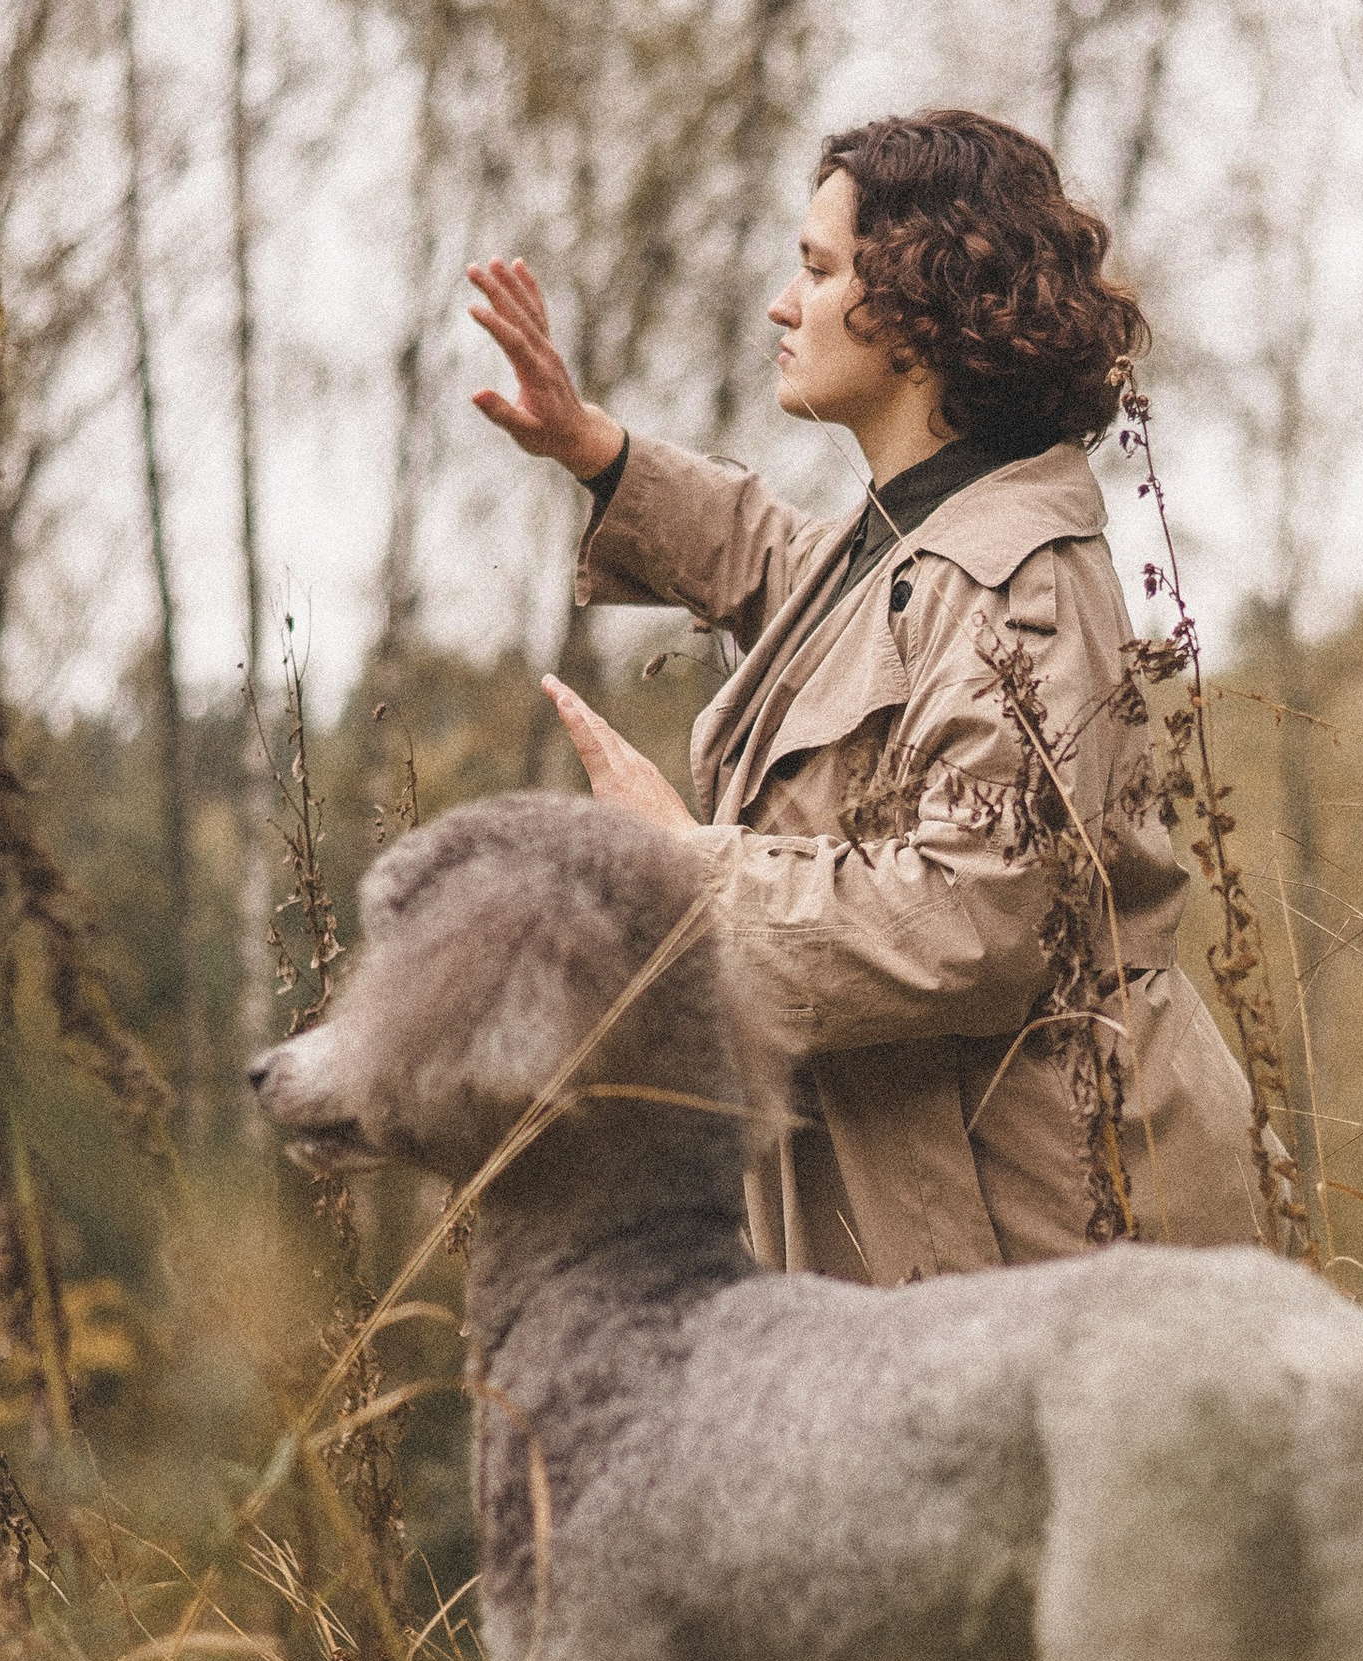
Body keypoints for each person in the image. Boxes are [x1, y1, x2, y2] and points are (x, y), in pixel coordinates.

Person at [465, 106, 1269, 1291]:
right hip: (963, 1227)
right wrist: (599, 451)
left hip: (1047, 1243)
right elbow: (796, 579)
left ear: (919, 305)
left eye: (819, 269)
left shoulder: (1014, 579)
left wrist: (686, 868)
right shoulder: (921, 527)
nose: (783, 307)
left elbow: (974, 918)